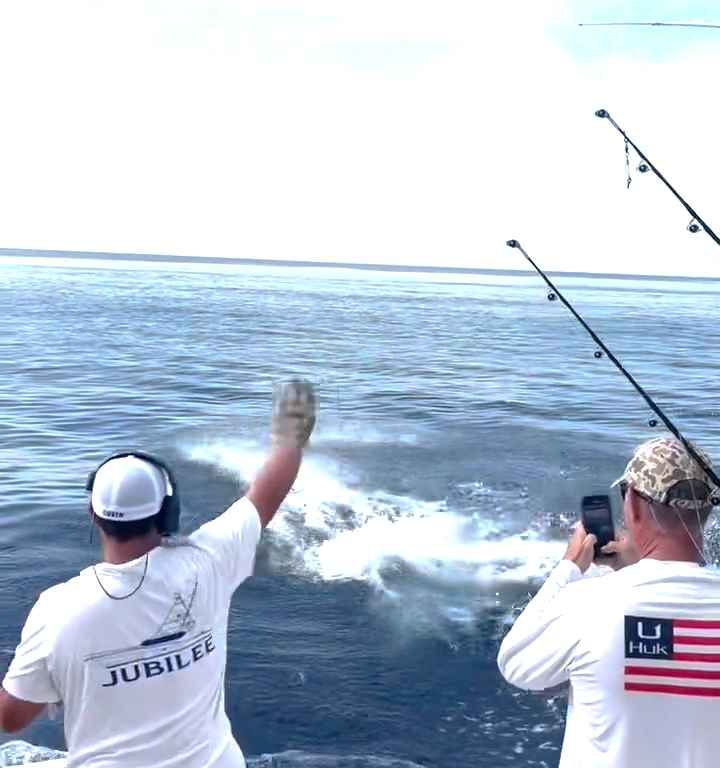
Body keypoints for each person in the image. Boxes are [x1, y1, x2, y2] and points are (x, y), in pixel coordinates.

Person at [0, 380, 317, 768]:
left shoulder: (56, 610)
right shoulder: (211, 559)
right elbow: (272, 484)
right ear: (168, 513)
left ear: (93, 517)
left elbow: (12, 718)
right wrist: (292, 428)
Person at [497, 436, 720, 768]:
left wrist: (569, 569)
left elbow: (516, 665)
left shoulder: (589, 602)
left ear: (631, 505)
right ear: (705, 513)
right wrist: (636, 569)